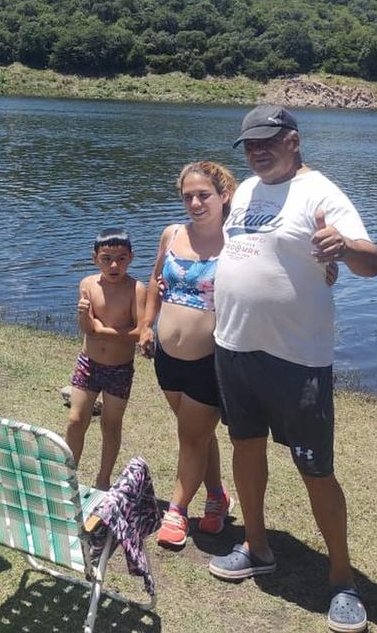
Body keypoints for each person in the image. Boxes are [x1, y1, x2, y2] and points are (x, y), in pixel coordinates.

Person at [208, 106, 377, 633]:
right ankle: (257, 546)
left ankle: (342, 580)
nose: (258, 152)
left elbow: (372, 261)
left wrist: (345, 248)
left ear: (294, 141)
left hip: (297, 359)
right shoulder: (244, 191)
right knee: (245, 446)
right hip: (233, 347)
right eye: (250, 145)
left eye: (268, 142)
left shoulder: (321, 193)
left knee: (315, 469)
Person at [135, 161, 238, 548]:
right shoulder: (172, 233)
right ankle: (217, 497)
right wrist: (147, 325)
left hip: (208, 362)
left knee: (191, 437)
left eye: (204, 195)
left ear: (224, 195)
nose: (195, 203)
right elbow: (155, 281)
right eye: (188, 196)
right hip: (167, 358)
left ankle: (177, 510)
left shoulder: (237, 242)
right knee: (198, 432)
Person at [66, 228, 146, 490]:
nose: (114, 265)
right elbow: (87, 329)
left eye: (121, 259)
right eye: (106, 258)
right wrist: (84, 316)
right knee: (76, 420)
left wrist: (103, 331)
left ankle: (103, 479)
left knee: (111, 425)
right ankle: (68, 476)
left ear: (131, 258)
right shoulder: (88, 284)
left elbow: (138, 332)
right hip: (89, 363)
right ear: (95, 258)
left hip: (119, 369)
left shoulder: (136, 289)